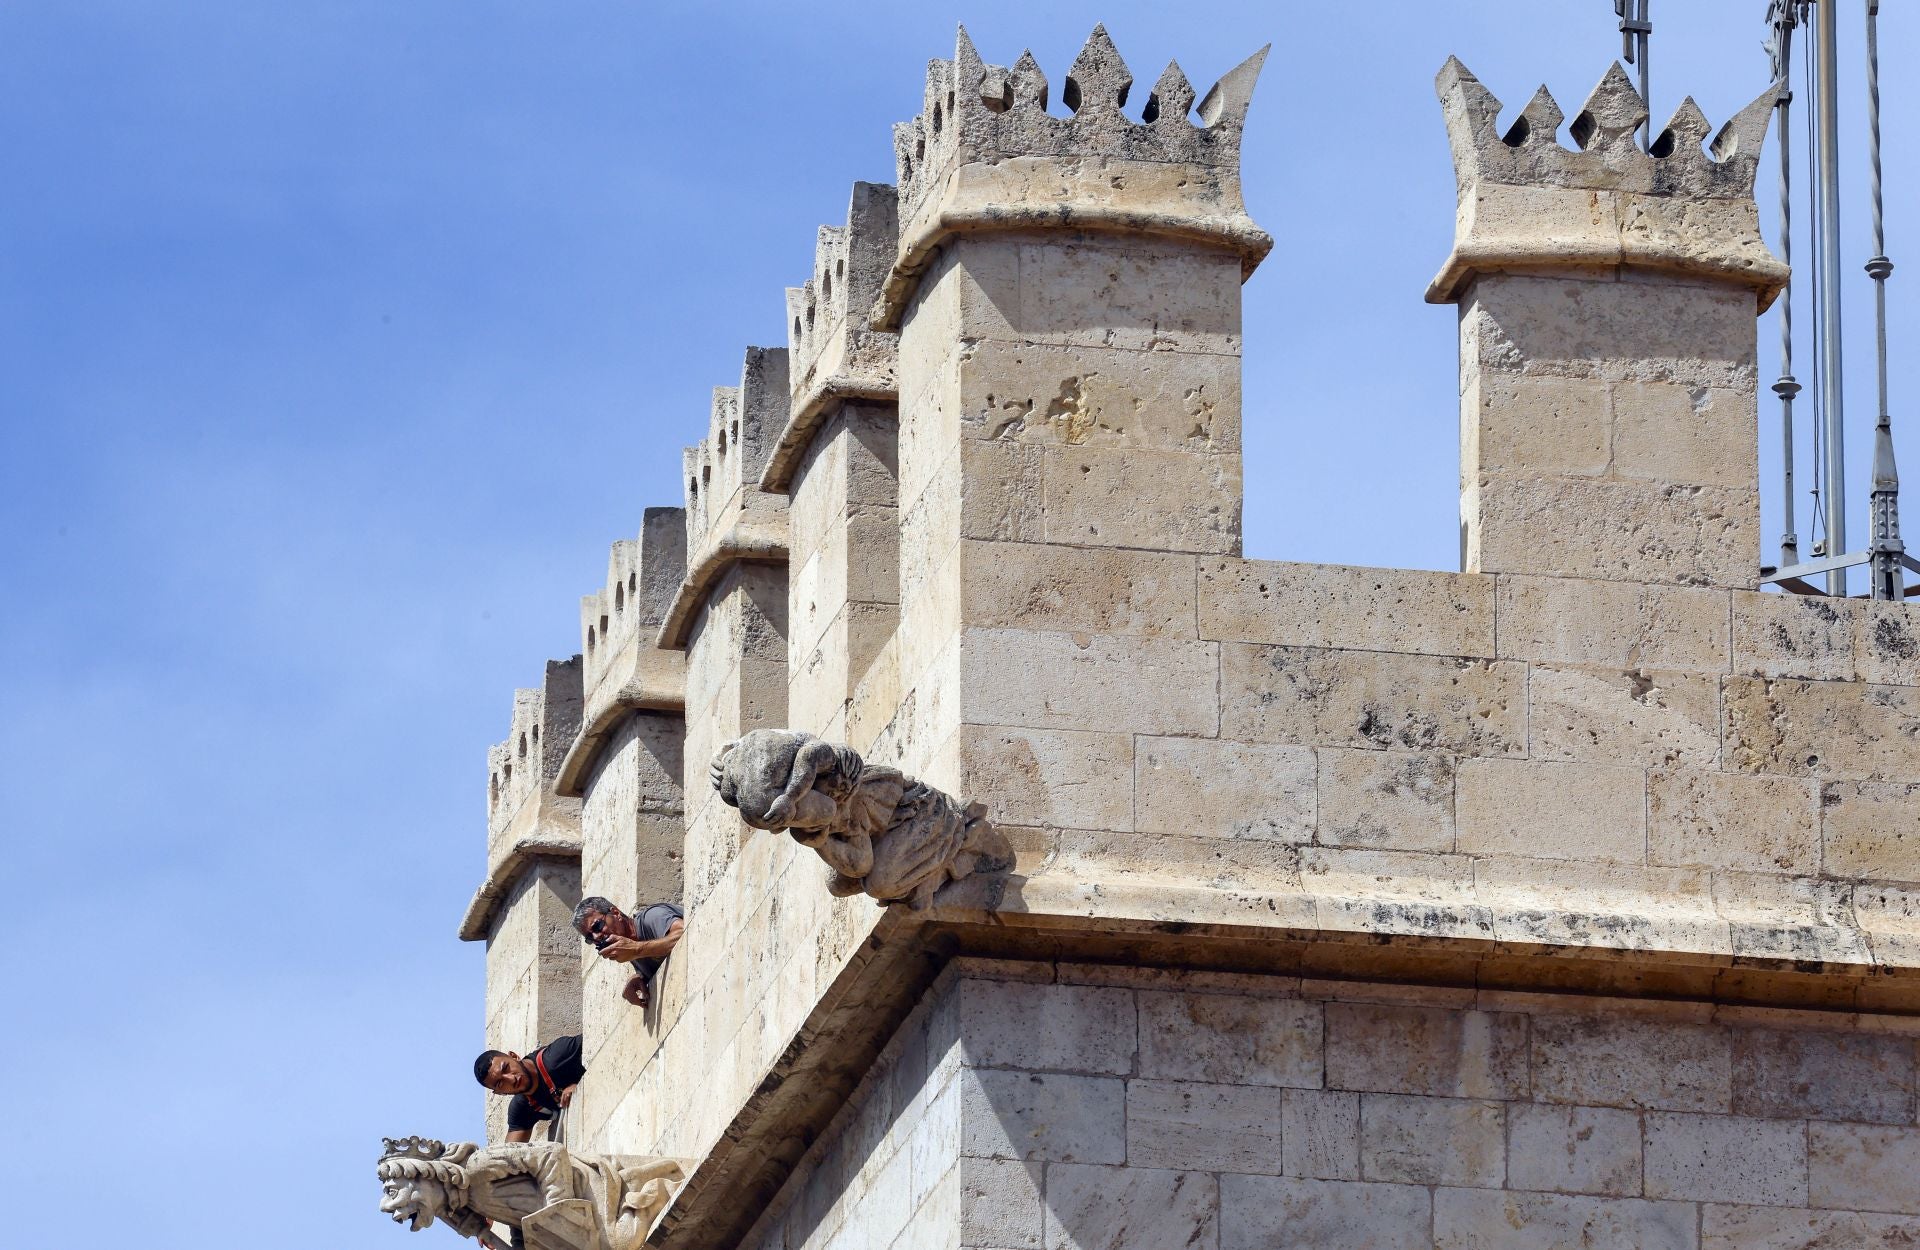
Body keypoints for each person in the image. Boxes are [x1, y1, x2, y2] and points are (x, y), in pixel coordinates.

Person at [572, 896, 685, 1007]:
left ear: (616, 913)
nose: (596, 937)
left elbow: (684, 932)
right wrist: (640, 978)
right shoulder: (630, 949)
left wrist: (637, 950)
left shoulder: (651, 917)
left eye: (597, 926)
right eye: (590, 938)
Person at [472, 1034, 584, 1143]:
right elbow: (508, 1154)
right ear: (500, 1093)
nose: (511, 1079)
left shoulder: (558, 1054)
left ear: (514, 1056)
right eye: (500, 1083)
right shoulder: (521, 1107)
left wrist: (580, 1083)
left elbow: (596, 1038)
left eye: (506, 1068)